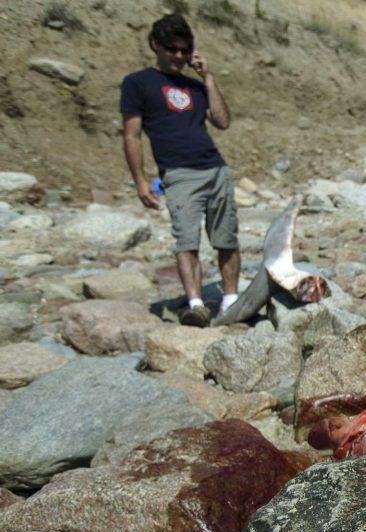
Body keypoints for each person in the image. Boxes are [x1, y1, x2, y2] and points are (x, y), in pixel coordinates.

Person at [119, 13, 240, 328]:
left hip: (215, 168)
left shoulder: (195, 86)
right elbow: (131, 135)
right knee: (186, 241)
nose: (178, 56)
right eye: (172, 49)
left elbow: (223, 121)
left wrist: (208, 78)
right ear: (156, 46)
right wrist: (141, 181)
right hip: (178, 173)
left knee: (226, 237)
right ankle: (196, 304)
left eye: (185, 50)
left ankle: (231, 300)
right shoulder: (137, 83)